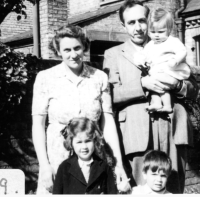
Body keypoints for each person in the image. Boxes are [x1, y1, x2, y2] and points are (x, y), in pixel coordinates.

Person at [103, 0, 199, 193]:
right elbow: (110, 96)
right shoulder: (113, 54)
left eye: (142, 21)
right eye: (131, 22)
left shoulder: (169, 45)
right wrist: (141, 84)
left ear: (150, 20)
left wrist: (177, 84)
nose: (138, 27)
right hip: (136, 132)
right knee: (140, 189)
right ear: (123, 25)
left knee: (173, 187)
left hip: (173, 127)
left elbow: (193, 89)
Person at [32, 25, 129, 194]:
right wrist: (45, 165)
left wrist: (118, 163)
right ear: (58, 51)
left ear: (84, 46)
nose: (73, 54)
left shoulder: (99, 77)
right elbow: (38, 125)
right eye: (67, 49)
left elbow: (108, 123)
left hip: (92, 155)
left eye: (77, 48)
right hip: (57, 155)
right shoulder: (45, 78)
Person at [134, 7, 191, 113]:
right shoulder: (150, 44)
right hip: (156, 71)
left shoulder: (172, 41)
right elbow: (144, 54)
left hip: (169, 70)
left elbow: (182, 51)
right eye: (153, 32)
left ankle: (167, 106)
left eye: (160, 32)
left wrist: (175, 60)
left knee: (163, 87)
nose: (156, 35)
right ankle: (157, 103)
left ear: (169, 30)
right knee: (154, 87)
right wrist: (141, 61)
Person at [53, 117, 117, 194]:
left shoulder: (104, 167)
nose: (84, 147)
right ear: (71, 143)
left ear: (95, 141)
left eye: (88, 141)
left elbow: (112, 192)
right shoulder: (64, 167)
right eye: (79, 142)